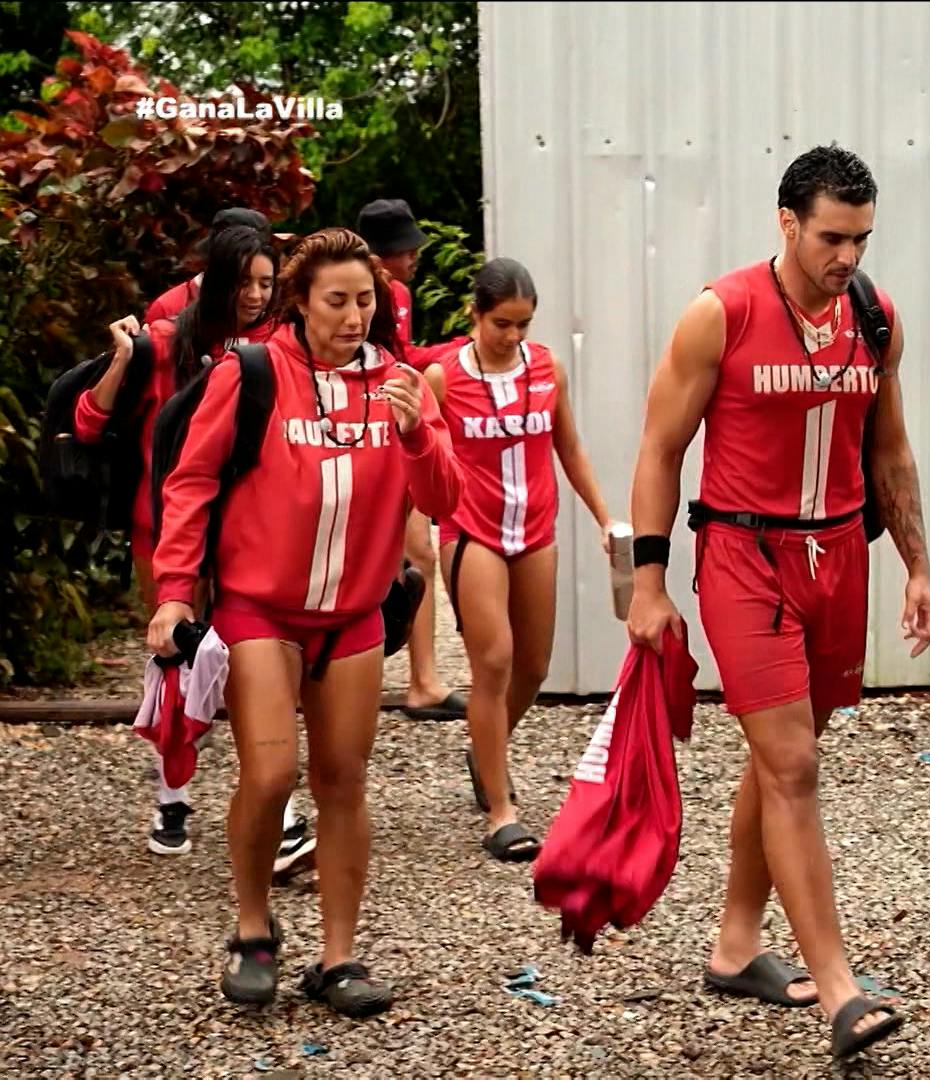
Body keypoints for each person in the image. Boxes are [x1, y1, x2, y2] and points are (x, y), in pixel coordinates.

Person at [624, 144, 930, 1061]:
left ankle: (736, 946)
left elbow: (891, 449)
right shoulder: (719, 315)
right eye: (833, 237)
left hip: (840, 552)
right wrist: (647, 583)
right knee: (793, 762)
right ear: (787, 222)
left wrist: (917, 566)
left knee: (779, 760)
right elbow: (657, 450)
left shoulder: (875, 319)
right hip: (743, 553)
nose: (847, 257)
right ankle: (840, 987)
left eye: (862, 239)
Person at [147, 227, 463, 1017]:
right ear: (299, 301)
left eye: (367, 300)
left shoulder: (401, 383)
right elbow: (191, 483)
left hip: (354, 616)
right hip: (261, 609)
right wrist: (175, 591)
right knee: (271, 772)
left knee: (344, 784)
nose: (355, 316)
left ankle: (339, 957)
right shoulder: (251, 373)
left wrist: (417, 431)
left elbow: (446, 500)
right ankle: (254, 929)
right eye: (338, 301)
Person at [82, 227, 315, 874]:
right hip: (164, 531)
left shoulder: (278, 348)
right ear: (214, 281)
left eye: (268, 284)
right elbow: (87, 421)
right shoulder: (163, 341)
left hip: (244, 536)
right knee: (178, 663)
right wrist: (122, 360)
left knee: (246, 663)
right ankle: (172, 797)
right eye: (245, 282)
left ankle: (282, 814)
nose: (257, 296)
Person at [418, 258, 617, 861]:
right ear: (475, 315)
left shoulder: (547, 367)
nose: (513, 336)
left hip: (535, 528)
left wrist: (605, 516)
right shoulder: (444, 377)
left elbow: (570, 447)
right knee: (495, 659)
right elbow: (422, 460)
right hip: (471, 528)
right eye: (502, 323)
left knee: (533, 663)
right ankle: (501, 810)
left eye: (524, 324)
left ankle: (487, 748)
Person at [356, 197, 465, 723]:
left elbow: (399, 357)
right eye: (407, 249)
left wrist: (450, 351)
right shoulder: (384, 290)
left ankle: (423, 677)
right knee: (410, 553)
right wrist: (456, 353)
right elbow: (394, 361)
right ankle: (411, 676)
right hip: (373, 426)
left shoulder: (396, 292)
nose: (415, 258)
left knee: (417, 553)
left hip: (395, 418)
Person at [145, 207, 273, 325]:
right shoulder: (168, 310)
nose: (255, 295)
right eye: (243, 280)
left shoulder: (275, 317)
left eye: (265, 284)